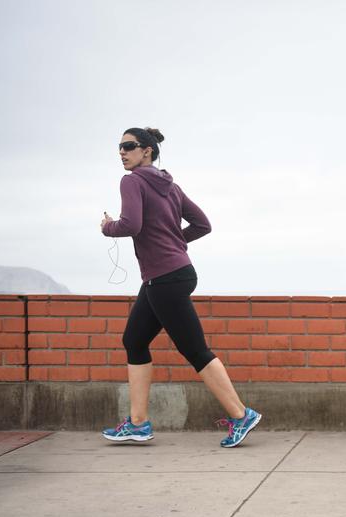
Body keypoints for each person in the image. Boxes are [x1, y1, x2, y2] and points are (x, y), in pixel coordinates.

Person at [100, 127, 261, 447]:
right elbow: (203, 225)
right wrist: (176, 244)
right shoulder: (170, 186)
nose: (122, 152)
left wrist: (108, 227)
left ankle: (241, 415)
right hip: (172, 274)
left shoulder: (131, 181)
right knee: (134, 340)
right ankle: (138, 424)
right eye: (119, 147)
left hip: (166, 277)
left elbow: (131, 225)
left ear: (146, 151)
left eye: (128, 147)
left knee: (194, 349)